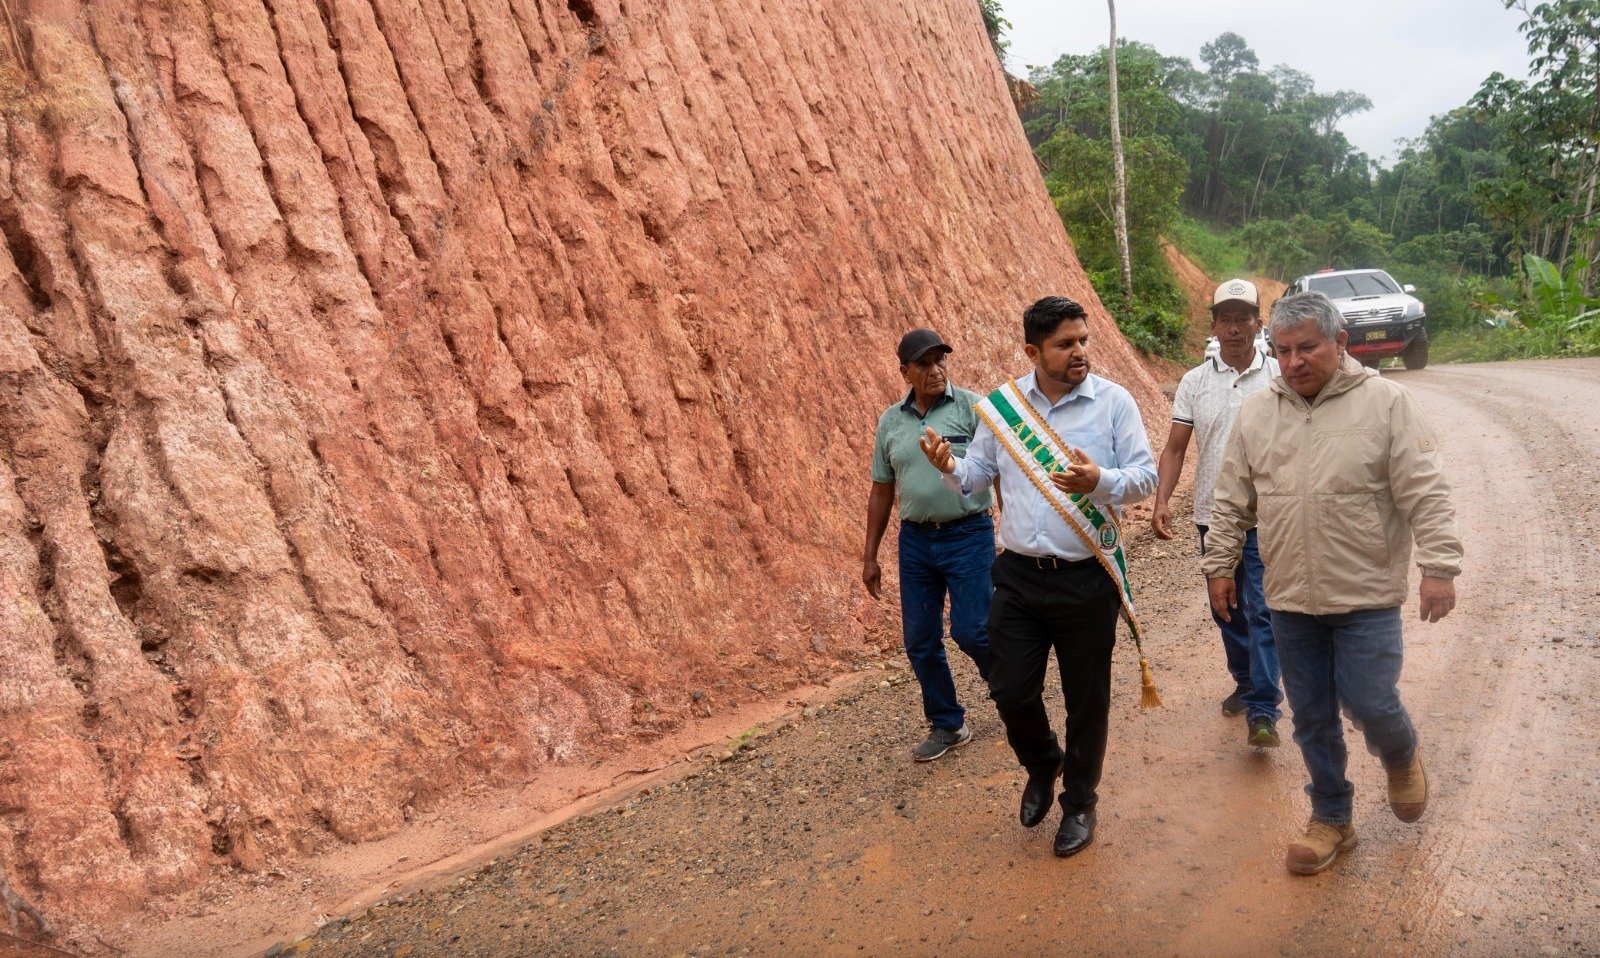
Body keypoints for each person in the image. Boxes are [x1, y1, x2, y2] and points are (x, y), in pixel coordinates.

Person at [1201, 291, 1462, 876]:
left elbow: (1426, 489)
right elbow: (1231, 498)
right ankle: (1331, 818)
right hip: (1289, 595)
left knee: (1370, 700)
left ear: (1340, 343)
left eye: (1308, 348)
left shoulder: (1387, 403)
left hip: (1366, 592)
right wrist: (1219, 564)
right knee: (1312, 715)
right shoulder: (1258, 412)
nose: (1294, 362)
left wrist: (1439, 567)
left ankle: (1400, 753)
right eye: (1283, 350)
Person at [920, 296, 1156, 858]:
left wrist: (1101, 481)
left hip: (1086, 579)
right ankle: (1044, 762)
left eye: (1083, 340)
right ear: (1033, 351)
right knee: (1010, 688)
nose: (1079, 352)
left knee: (1086, 699)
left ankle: (1079, 803)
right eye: (1064, 344)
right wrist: (950, 467)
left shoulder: (1114, 403)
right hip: (1019, 577)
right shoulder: (1002, 408)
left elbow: (1144, 477)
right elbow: (980, 473)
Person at [1153, 279, 1283, 748]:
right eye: (1225, 319)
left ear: (1258, 324)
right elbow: (1175, 448)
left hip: (1268, 514)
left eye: (1242, 319)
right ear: (1213, 326)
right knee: (1225, 608)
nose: (1234, 328)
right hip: (1212, 514)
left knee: (1263, 609)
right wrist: (1163, 500)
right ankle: (1245, 681)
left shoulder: (1280, 375)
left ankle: (1263, 708)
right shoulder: (1195, 382)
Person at [864, 329, 994, 762]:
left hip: (969, 534)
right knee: (920, 640)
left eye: (941, 360)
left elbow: (999, 470)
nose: (936, 370)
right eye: (924, 363)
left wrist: (1013, 530)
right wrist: (870, 556)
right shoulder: (890, 422)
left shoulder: (973, 408)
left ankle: (1011, 690)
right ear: (905, 372)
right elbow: (882, 489)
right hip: (916, 541)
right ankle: (948, 723)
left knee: (973, 631)